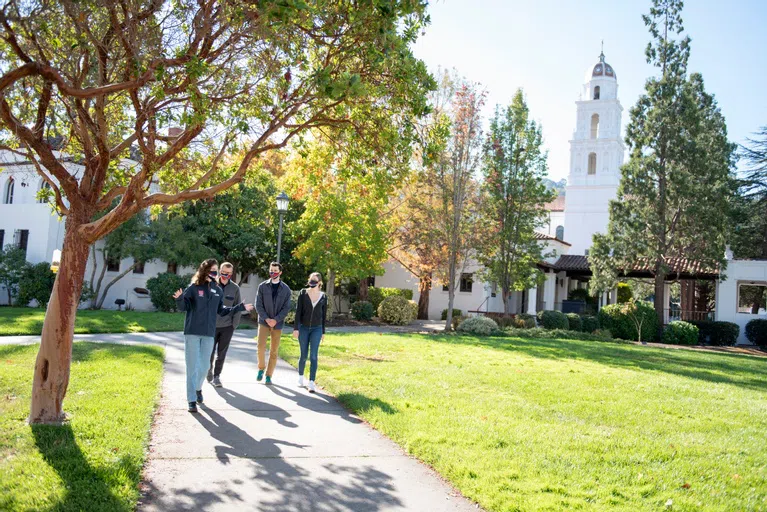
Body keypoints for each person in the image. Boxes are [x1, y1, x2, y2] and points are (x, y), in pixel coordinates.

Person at [173, 258, 254, 413]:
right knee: (192, 367)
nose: (215, 273)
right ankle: (191, 400)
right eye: (212, 270)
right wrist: (179, 299)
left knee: (204, 367)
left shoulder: (218, 290)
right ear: (205, 271)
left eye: (216, 271)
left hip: (208, 334)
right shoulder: (194, 287)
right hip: (192, 333)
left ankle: (197, 388)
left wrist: (239, 307)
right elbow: (184, 307)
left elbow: (222, 310)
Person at [255, 262, 291, 385]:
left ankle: (269, 375)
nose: (273, 273)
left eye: (275, 271)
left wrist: (276, 320)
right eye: (271, 270)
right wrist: (266, 319)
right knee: (260, 347)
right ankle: (261, 368)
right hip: (264, 322)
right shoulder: (262, 286)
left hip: (278, 324)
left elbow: (286, 308)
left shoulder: (286, 289)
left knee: (273, 351)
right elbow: (258, 305)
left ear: (280, 272)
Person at [206, 262, 242, 388]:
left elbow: (238, 307)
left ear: (232, 274)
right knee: (209, 351)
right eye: (223, 272)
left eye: (228, 273)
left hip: (227, 327)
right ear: (220, 271)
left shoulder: (235, 288)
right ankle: (208, 370)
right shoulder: (211, 285)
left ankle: (217, 376)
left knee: (222, 353)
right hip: (211, 326)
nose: (225, 275)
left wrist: (234, 325)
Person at [292, 272, 327, 393]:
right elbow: (298, 312)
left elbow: (323, 316)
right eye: (311, 280)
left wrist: (323, 332)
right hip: (304, 328)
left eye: (315, 281)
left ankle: (311, 382)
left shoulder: (323, 296)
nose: (312, 283)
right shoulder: (303, 293)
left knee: (313, 356)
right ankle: (301, 377)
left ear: (320, 283)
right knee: (303, 355)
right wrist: (296, 328)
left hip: (317, 329)